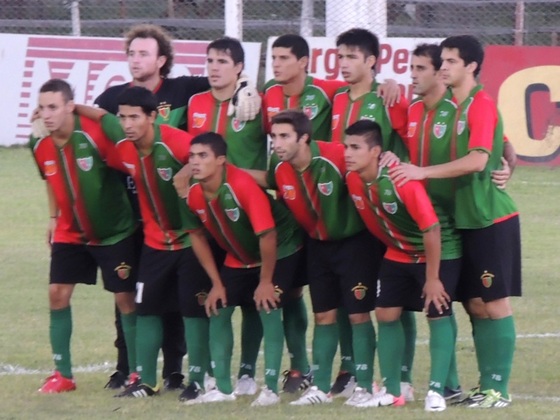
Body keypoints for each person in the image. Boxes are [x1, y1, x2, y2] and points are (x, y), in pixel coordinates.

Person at [93, 24, 261, 390]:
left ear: (162, 60)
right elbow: (98, 121)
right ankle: (136, 373)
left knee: (198, 304)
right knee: (145, 303)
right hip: (145, 229)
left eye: (144, 53)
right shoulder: (116, 106)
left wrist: (248, 84)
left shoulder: (185, 94)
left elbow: (225, 83)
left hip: (196, 228)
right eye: (132, 53)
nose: (136, 60)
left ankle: (191, 375)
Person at [391, 35, 521, 409]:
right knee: (475, 305)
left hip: (489, 219)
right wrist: (509, 159)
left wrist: (420, 171)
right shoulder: (448, 105)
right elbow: (503, 143)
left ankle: (498, 389)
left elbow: (479, 160)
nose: (443, 67)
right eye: (442, 61)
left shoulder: (480, 104)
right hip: (461, 220)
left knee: (495, 303)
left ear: (471, 67)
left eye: (450, 61)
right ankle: (484, 387)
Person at [75, 86, 225, 399]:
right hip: (155, 242)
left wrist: (185, 172)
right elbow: (102, 117)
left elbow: (208, 159)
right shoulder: (124, 141)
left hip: (189, 240)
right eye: (124, 117)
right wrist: (69, 106)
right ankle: (144, 381)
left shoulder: (173, 141)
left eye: (134, 117)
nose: (127, 123)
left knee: (194, 311)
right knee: (146, 309)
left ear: (152, 117)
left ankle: (198, 380)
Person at [182, 36, 312, 395]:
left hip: (258, 209)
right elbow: (185, 151)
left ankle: (287, 369)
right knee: (224, 294)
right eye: (210, 61)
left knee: (281, 294)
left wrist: (236, 177)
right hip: (213, 211)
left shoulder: (261, 100)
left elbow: (281, 155)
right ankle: (213, 375)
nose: (213, 67)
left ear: (240, 67)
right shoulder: (194, 102)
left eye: (222, 61)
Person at [245, 110, 381, 406]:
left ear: (304, 137)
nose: (277, 144)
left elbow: (374, 164)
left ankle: (365, 385)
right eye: (273, 137)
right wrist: (229, 171)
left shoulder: (335, 156)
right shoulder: (280, 168)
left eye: (284, 137)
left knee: (358, 315)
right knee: (324, 316)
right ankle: (319, 387)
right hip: (317, 247)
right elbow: (270, 179)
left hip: (354, 244)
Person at [343, 119, 461, 411]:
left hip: (437, 250)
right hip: (398, 253)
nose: (347, 153)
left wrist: (432, 279)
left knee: (436, 311)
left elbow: (431, 229)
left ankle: (436, 391)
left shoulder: (399, 180)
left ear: (376, 152)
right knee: (385, 313)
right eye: (346, 146)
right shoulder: (353, 177)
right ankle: (392, 390)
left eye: (355, 147)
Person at [30, 79, 138, 394]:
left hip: (113, 231)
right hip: (70, 232)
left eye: (53, 107)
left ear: (69, 106)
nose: (46, 115)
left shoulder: (93, 132)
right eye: (42, 107)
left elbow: (120, 145)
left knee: (125, 299)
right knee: (57, 294)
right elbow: (49, 178)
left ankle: (134, 372)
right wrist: (53, 218)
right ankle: (63, 375)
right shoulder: (38, 142)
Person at [183, 132, 304, 406]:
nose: (195, 162)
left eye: (203, 156)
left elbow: (268, 236)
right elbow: (197, 235)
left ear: (221, 160)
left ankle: (271, 390)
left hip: (281, 246)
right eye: (192, 156)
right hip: (239, 256)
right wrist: (216, 283)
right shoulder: (193, 194)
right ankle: (223, 389)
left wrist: (265, 281)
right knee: (218, 308)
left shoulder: (243, 186)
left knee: (267, 305)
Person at [331, 27, 418, 400]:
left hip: (384, 213)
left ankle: (403, 377)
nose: (344, 64)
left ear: (371, 61)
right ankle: (352, 372)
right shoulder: (334, 98)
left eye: (352, 57)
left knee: (392, 300)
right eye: (340, 56)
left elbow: (413, 146)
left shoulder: (389, 96)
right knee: (350, 301)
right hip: (345, 213)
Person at [263, 33, 400, 142]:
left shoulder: (328, 91)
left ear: (303, 62)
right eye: (340, 57)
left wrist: (390, 84)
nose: (275, 64)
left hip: (326, 170)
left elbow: (362, 86)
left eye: (283, 58)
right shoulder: (268, 89)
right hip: (284, 169)